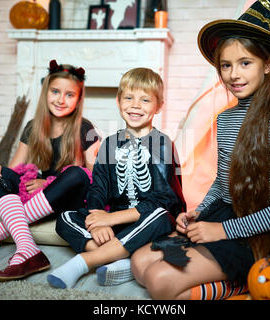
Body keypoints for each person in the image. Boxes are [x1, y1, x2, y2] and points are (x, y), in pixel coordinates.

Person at [130, 0, 270, 300]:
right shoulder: (225, 119)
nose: (233, 74)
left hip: (263, 229)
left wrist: (222, 231)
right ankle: (237, 277)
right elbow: (222, 181)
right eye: (226, 65)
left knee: (159, 282)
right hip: (224, 213)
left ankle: (246, 281)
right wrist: (200, 211)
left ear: (267, 66)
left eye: (245, 63)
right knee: (139, 263)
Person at [47, 67, 186, 289]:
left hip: (150, 221)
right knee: (65, 218)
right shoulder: (110, 144)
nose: (135, 105)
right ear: (118, 100)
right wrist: (97, 219)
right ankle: (122, 259)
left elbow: (163, 199)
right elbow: (98, 188)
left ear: (158, 106)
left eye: (145, 100)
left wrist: (112, 219)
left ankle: (84, 262)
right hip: (118, 225)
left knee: (160, 216)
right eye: (129, 97)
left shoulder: (162, 144)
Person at [0, 60, 100, 281]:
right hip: (39, 199)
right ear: (46, 92)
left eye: (69, 95)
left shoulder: (85, 128)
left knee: (77, 174)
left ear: (78, 99)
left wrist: (47, 183)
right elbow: (15, 170)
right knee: (1, 175)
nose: (60, 99)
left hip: (70, 196)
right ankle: (28, 249)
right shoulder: (32, 127)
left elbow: (94, 174)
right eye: (55, 91)